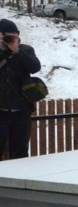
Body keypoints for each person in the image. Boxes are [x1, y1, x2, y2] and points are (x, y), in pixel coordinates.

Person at [0, 19, 41, 160]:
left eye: (13, 35)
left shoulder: (25, 50)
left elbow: (35, 67)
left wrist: (16, 51)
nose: (9, 39)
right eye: (6, 35)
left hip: (21, 111)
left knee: (20, 153)